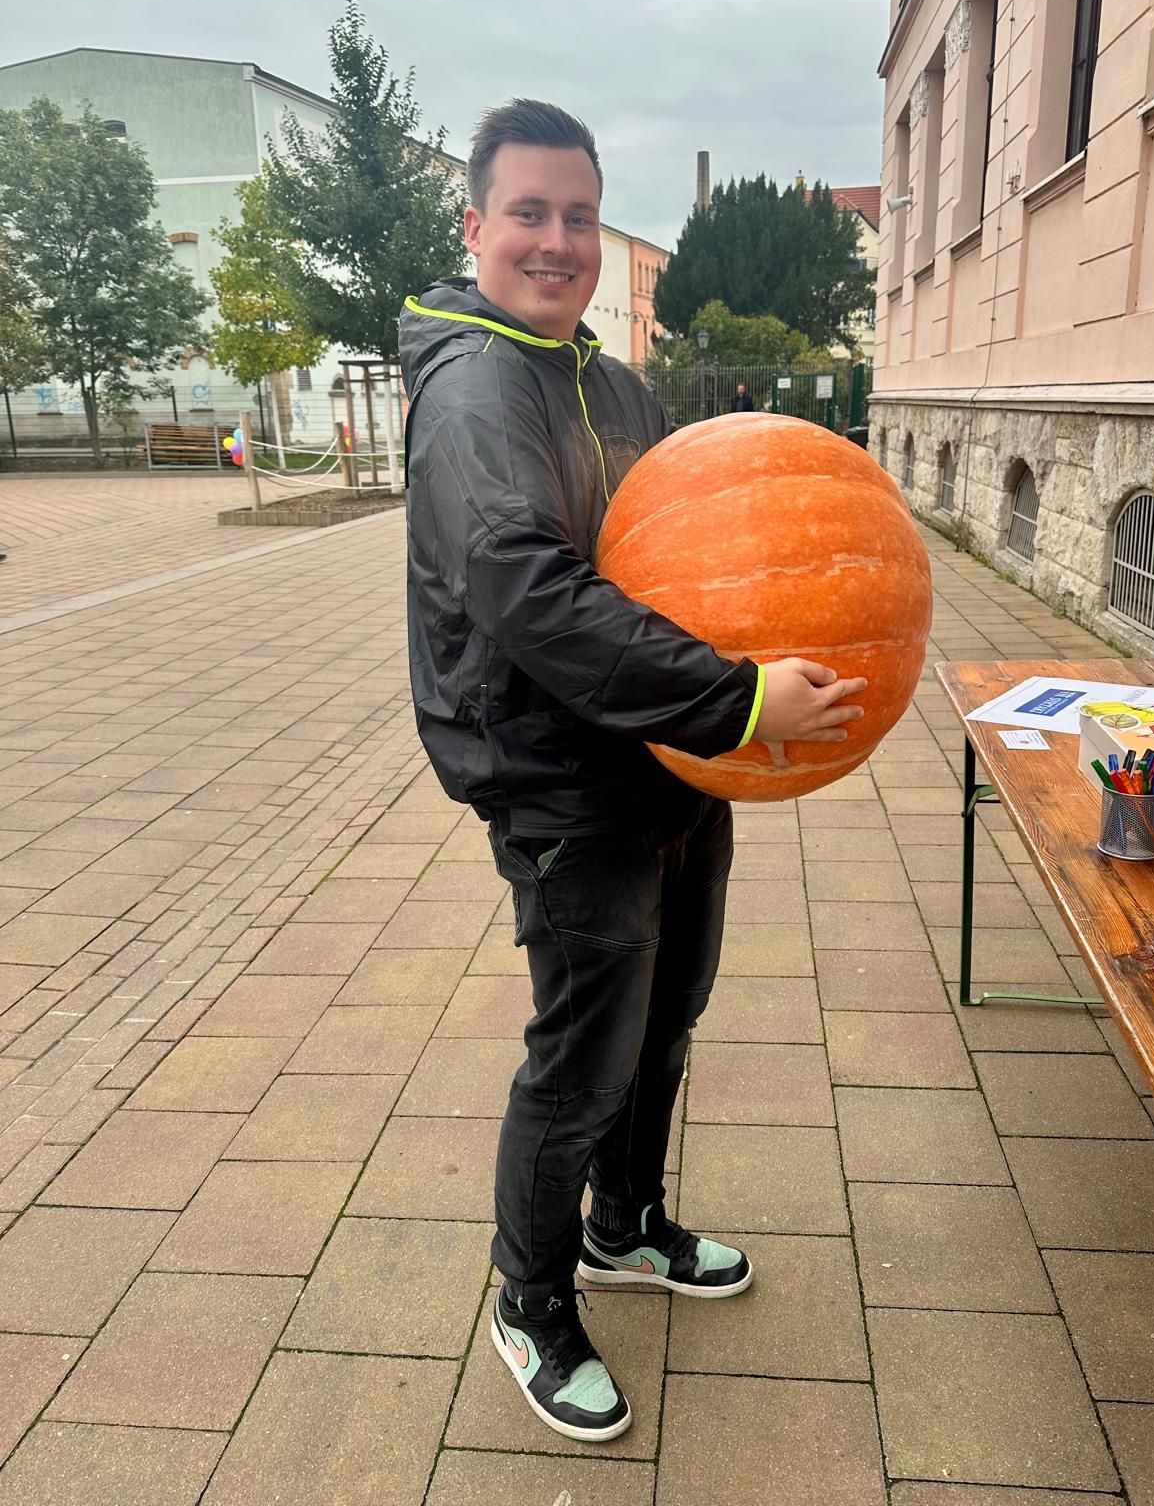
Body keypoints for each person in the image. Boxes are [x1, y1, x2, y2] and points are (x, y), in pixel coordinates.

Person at [399, 100, 866, 1445]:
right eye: (529, 213)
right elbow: (533, 596)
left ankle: (626, 1224)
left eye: (580, 217)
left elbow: (697, 543)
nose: (557, 241)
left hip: (670, 761)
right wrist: (740, 698)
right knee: (584, 1052)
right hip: (560, 779)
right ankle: (531, 1297)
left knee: (668, 1015)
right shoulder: (475, 394)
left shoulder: (607, 385)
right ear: (475, 226)